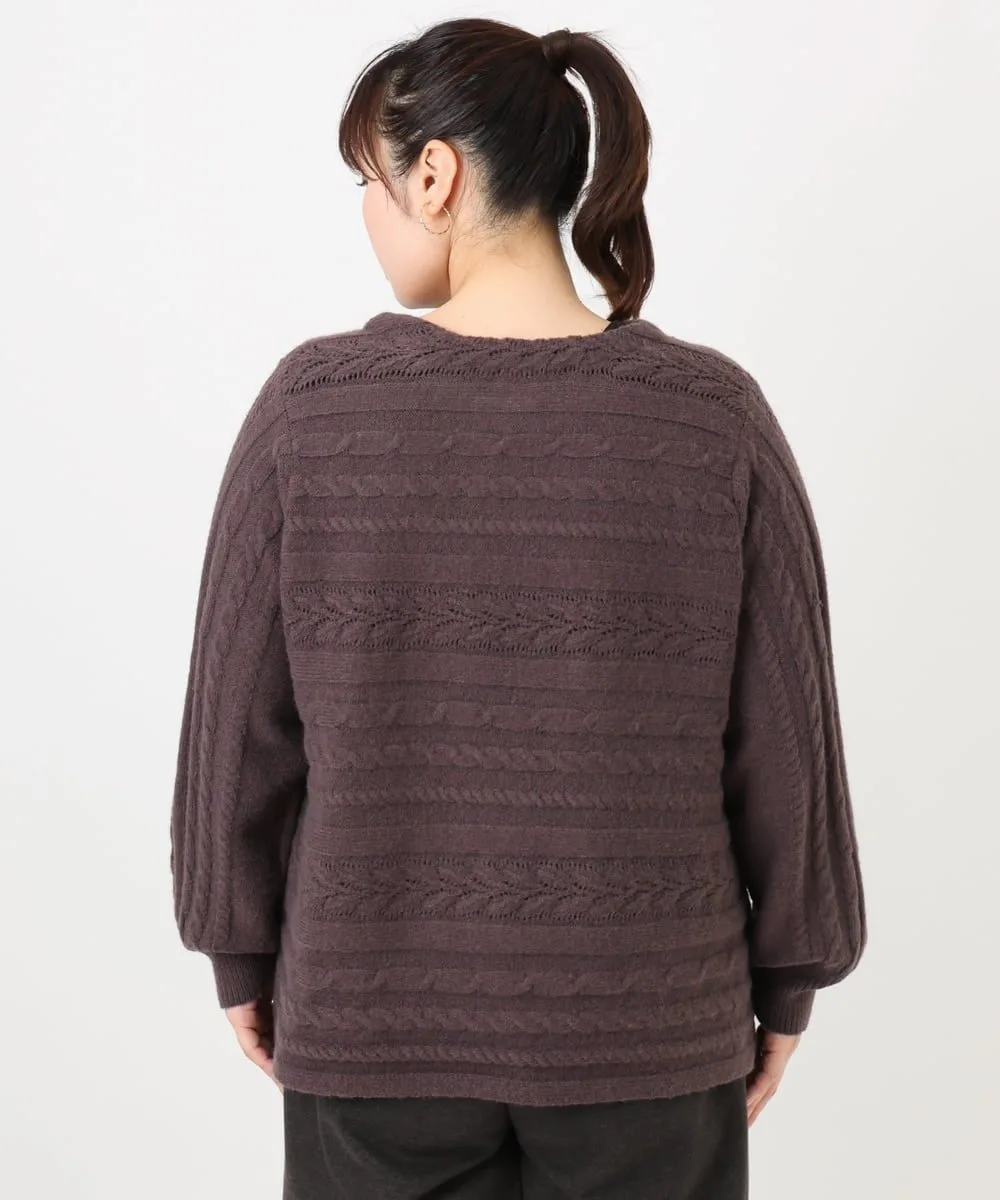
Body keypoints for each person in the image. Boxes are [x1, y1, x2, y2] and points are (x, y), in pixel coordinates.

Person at [169, 16, 867, 1200]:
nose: (367, 211)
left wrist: (237, 941)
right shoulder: (712, 420)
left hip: (374, 1026)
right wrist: (791, 972)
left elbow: (238, 728)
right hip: (649, 1029)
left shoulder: (311, 411)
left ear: (433, 176)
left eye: (367, 180)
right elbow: (786, 743)